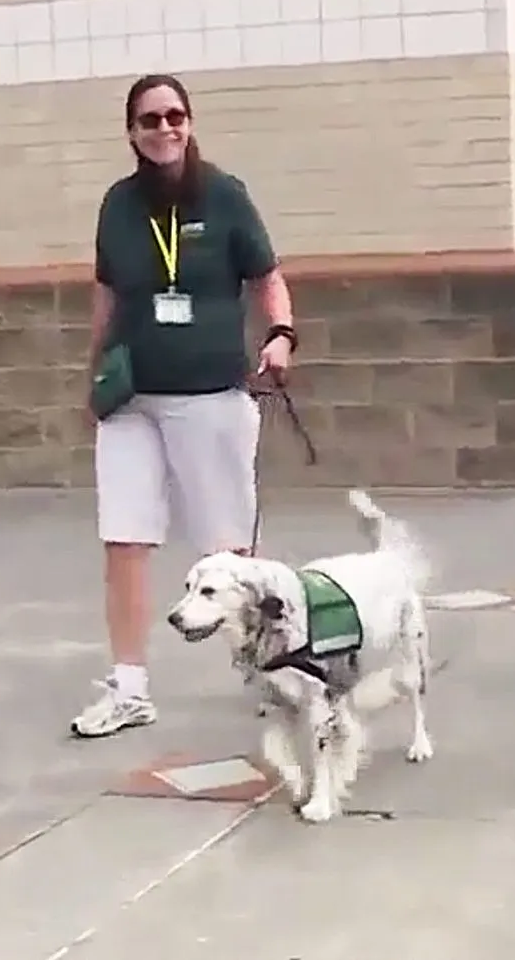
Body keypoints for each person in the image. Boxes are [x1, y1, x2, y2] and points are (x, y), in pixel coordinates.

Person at [71, 73, 298, 739]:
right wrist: (93, 377)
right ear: (132, 132)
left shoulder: (224, 196)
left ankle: (270, 665)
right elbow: (107, 297)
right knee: (124, 539)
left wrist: (281, 336)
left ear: (190, 122)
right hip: (133, 397)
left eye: (174, 116)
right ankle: (129, 686)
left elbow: (267, 279)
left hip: (210, 397)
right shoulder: (117, 205)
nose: (163, 128)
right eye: (149, 120)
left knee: (230, 550)